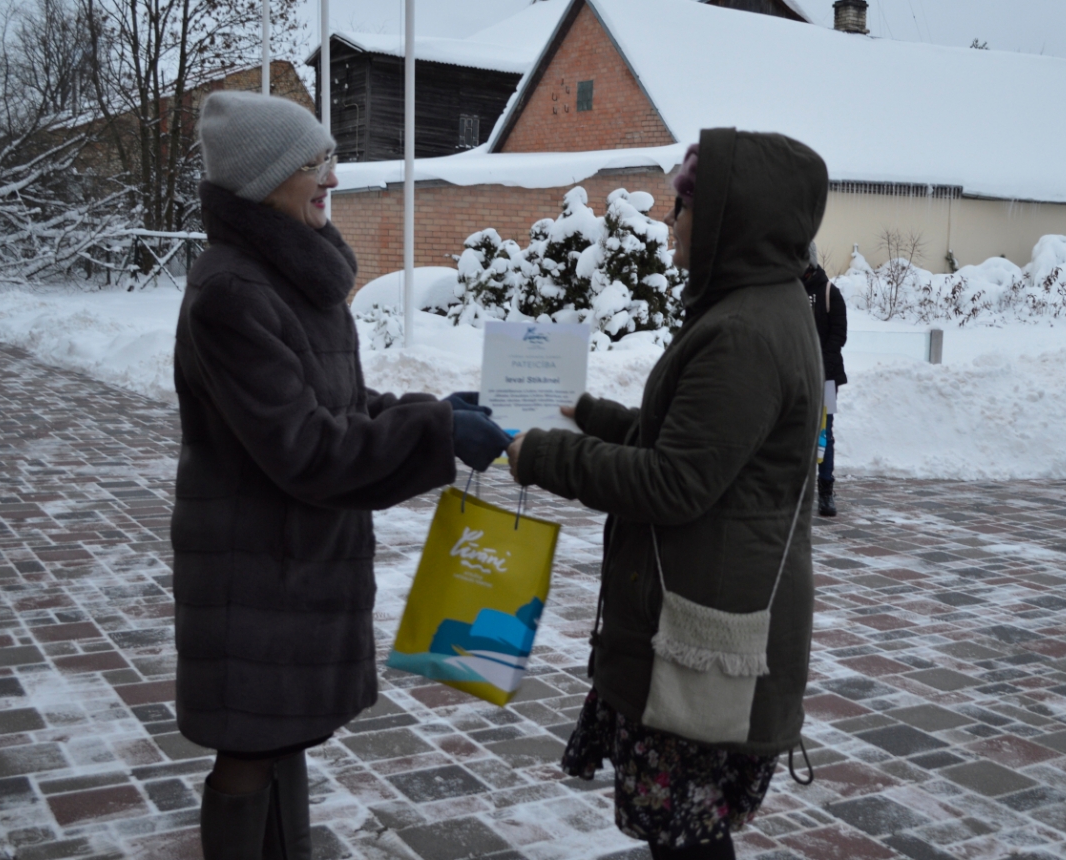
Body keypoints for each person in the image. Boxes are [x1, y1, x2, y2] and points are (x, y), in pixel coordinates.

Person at [174, 91, 511, 859]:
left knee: (281, 732)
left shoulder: (292, 278)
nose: (332, 174)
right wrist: (435, 436)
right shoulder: (233, 292)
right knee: (250, 742)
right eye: (312, 163)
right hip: (254, 564)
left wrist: (437, 408)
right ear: (264, 180)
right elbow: (306, 447)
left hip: (295, 555)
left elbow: (345, 404)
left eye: (329, 157)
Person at [505, 130, 826, 860]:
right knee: (686, 830)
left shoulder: (744, 332)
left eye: (683, 211)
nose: (669, 225)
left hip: (705, 628)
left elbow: (673, 482)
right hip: (702, 602)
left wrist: (548, 457)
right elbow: (689, 443)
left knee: (687, 834)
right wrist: (589, 417)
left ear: (725, 224)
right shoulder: (752, 308)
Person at [802, 250, 847, 517]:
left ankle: (826, 491)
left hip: (827, 379)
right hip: (795, 376)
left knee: (825, 434)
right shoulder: (788, 291)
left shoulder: (831, 292)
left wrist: (821, 367)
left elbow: (838, 336)